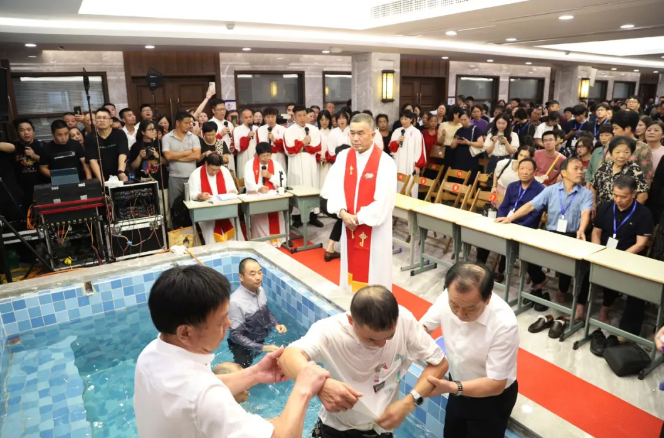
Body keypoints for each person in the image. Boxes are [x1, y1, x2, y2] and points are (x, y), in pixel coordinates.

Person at [135, 264, 329, 438]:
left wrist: (255, 373)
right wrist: (303, 389)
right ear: (185, 332)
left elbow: (199, 391)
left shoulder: (150, 354)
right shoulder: (205, 397)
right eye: (220, 322)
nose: (229, 324)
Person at [279, 285, 448, 436]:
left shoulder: (405, 320)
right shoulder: (330, 331)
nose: (381, 345)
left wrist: (409, 401)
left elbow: (439, 363)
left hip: (382, 431)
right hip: (337, 430)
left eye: (390, 336)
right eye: (372, 340)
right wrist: (320, 386)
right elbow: (287, 357)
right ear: (352, 321)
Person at [421, 262, 519, 438]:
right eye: (454, 306)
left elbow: (496, 384)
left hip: (491, 399)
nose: (459, 315)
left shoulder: (504, 324)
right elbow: (422, 328)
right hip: (457, 384)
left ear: (488, 298)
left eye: (470, 309)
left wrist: (451, 387)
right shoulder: (450, 296)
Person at [497, 158, 593, 306]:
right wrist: (511, 218)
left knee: (567, 264)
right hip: (551, 233)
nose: (580, 172)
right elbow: (530, 206)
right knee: (526, 251)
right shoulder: (551, 190)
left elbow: (586, 212)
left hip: (572, 234)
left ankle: (562, 290)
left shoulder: (586, 194)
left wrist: (581, 229)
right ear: (564, 172)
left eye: (582, 169)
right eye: (576, 168)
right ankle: (540, 280)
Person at [326, 114, 397, 293]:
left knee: (374, 279)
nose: (355, 138)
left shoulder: (385, 162)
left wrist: (357, 218)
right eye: (352, 133)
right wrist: (342, 213)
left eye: (361, 133)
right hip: (348, 224)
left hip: (374, 232)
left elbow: (383, 203)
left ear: (373, 135)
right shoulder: (343, 157)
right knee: (349, 280)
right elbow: (332, 189)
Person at [584, 176, 653, 352]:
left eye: (623, 197)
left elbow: (640, 244)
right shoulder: (606, 207)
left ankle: (609, 310)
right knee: (584, 268)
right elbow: (597, 232)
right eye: (615, 195)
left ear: (634, 194)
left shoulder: (644, 214)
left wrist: (618, 258)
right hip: (604, 253)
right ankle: (581, 309)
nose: (618, 200)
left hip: (630, 256)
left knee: (629, 283)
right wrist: (596, 251)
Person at [478, 158, 545, 284]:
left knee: (509, 241)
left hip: (525, 227)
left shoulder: (540, 189)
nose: (525, 172)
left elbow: (536, 215)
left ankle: (501, 271)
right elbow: (503, 206)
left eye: (529, 169)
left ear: (534, 172)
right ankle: (479, 267)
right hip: (507, 222)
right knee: (485, 236)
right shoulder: (512, 186)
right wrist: (502, 219)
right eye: (522, 169)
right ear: (518, 171)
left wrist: (516, 225)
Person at [228, 258, 288, 368]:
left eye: (260, 272)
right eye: (253, 274)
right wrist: (262, 347)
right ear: (241, 277)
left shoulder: (261, 290)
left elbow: (266, 311)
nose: (258, 277)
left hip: (260, 338)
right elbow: (235, 335)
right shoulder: (235, 303)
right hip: (242, 348)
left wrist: (276, 324)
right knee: (243, 375)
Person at [187, 153, 242, 243]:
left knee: (234, 225)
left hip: (225, 208)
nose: (214, 172)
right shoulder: (196, 174)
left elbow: (232, 188)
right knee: (210, 232)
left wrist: (232, 191)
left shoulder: (224, 171)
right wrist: (199, 195)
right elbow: (191, 193)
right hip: (207, 211)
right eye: (212, 169)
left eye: (217, 170)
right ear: (206, 164)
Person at [285, 105, 324, 228]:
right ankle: (297, 218)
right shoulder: (289, 131)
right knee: (297, 187)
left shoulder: (314, 129)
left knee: (312, 187)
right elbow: (290, 150)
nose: (302, 118)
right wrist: (303, 142)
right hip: (296, 163)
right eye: (299, 116)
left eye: (304, 115)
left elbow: (317, 148)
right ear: (294, 116)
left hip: (310, 164)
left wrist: (301, 147)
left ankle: (313, 216)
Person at [244, 142, 288, 245]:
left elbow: (283, 182)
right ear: (257, 155)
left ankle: (279, 240)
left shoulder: (276, 164)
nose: (266, 158)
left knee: (277, 212)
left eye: (268, 155)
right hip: (257, 197)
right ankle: (263, 241)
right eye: (263, 156)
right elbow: (248, 183)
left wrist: (270, 176)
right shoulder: (250, 164)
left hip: (273, 196)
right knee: (260, 218)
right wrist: (259, 188)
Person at [591, 136, 649, 209]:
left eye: (626, 152)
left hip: (624, 214)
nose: (621, 156)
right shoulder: (603, 167)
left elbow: (643, 195)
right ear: (611, 153)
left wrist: (632, 212)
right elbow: (593, 187)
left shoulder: (635, 169)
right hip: (602, 211)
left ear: (631, 153)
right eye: (617, 152)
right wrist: (593, 204)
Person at [163, 111, 202, 209]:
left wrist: (175, 156)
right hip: (174, 178)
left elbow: (197, 156)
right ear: (177, 123)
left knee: (193, 205)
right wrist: (187, 152)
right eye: (186, 123)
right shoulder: (167, 138)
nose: (189, 125)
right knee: (175, 206)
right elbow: (168, 156)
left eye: (190, 123)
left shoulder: (194, 137)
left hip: (192, 177)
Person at [85, 107, 129, 182]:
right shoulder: (90, 137)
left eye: (104, 118)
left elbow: (123, 153)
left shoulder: (119, 133)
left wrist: (121, 172)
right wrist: (101, 180)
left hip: (119, 174)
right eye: (98, 118)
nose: (101, 120)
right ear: (95, 121)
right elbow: (92, 160)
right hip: (99, 176)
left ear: (111, 121)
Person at [388, 110, 426, 197]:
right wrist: (397, 142)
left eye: (405, 119)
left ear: (411, 119)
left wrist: (417, 165)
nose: (403, 121)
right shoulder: (397, 131)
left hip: (411, 164)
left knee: (411, 186)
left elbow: (421, 150)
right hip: (398, 163)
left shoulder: (416, 133)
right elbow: (391, 148)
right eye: (401, 119)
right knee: (398, 184)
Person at [612, 110, 654, 184]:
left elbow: (647, 176)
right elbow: (600, 168)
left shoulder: (642, 148)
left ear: (628, 128)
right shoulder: (611, 144)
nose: (613, 131)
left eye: (616, 128)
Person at [11, 119, 44, 210]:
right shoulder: (13, 147)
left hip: (41, 185)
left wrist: (34, 156)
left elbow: (51, 163)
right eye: (22, 130)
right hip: (22, 189)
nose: (26, 133)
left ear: (33, 131)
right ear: (17, 132)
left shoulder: (42, 145)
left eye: (29, 130)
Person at [450, 109, 485, 181]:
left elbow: (481, 144)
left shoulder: (475, 129)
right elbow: (452, 146)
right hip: (459, 158)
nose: (463, 122)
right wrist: (456, 141)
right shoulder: (459, 130)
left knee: (470, 179)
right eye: (461, 120)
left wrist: (468, 143)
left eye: (465, 119)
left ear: (469, 118)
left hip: (470, 158)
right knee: (458, 179)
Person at [128, 120, 166, 185]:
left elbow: (167, 163)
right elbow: (133, 167)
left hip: (161, 180)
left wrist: (157, 156)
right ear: (143, 132)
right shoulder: (136, 146)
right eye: (150, 129)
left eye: (154, 129)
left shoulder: (160, 143)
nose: (153, 131)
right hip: (143, 181)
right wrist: (140, 157)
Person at [208, 99, 235, 175]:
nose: (222, 112)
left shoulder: (229, 124)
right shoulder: (210, 123)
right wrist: (220, 134)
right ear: (213, 111)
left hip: (230, 155)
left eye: (224, 109)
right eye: (220, 110)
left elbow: (232, 139)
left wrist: (232, 147)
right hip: (218, 156)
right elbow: (209, 141)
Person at [256, 107, 287, 173]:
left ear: (276, 117)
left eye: (273, 117)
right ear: (264, 118)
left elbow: (285, 146)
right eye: (268, 117)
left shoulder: (283, 129)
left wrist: (274, 140)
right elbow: (258, 145)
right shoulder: (260, 130)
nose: (270, 119)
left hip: (279, 157)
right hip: (264, 158)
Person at [232, 109, 258, 179]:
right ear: (241, 118)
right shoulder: (237, 129)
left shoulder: (257, 129)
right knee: (244, 175)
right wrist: (247, 138)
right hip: (243, 157)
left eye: (250, 117)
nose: (248, 119)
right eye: (246, 118)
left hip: (255, 156)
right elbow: (237, 147)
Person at [317, 110, 333, 188]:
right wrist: (318, 158)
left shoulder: (333, 132)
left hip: (330, 162)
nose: (324, 122)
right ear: (319, 121)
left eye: (326, 119)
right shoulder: (316, 132)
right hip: (319, 162)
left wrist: (329, 158)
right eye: (322, 120)